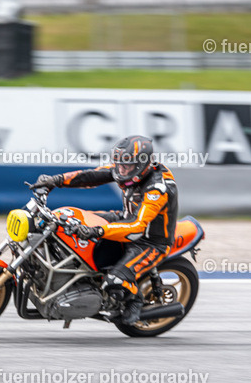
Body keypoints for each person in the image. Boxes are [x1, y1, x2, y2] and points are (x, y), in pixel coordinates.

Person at [31, 135, 179, 326]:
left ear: (143, 165)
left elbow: (137, 227)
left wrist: (97, 231)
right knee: (68, 220)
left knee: (114, 280)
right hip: (124, 218)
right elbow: (91, 176)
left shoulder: (157, 188)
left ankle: (135, 299)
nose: (121, 170)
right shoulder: (127, 169)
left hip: (148, 241)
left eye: (126, 166)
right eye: (118, 164)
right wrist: (55, 180)